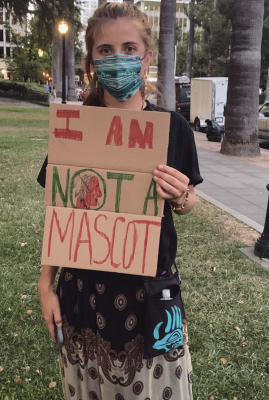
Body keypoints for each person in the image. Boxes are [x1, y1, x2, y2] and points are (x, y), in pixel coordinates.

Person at [37, 3, 203, 400]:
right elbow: (60, 214)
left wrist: (180, 195)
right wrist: (45, 284)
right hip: (83, 295)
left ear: (146, 57)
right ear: (91, 61)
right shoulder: (75, 128)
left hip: (150, 296)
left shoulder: (174, 128)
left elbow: (190, 199)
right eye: (105, 51)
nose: (118, 59)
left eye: (129, 48)